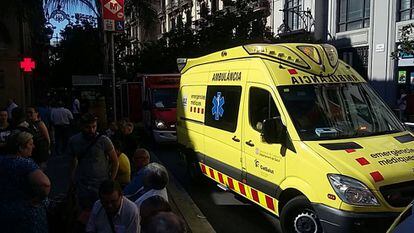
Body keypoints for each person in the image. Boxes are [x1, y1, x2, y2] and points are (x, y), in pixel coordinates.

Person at [68, 113, 119, 225]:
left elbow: (115, 161)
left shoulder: (103, 140)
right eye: (88, 127)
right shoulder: (74, 141)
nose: (91, 130)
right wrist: (72, 179)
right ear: (81, 126)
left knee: (103, 214)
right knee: (85, 214)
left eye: (94, 126)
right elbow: (72, 161)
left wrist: (111, 180)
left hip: (101, 184)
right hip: (83, 184)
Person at [0, 131, 51, 233]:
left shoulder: (1, 160)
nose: (33, 147)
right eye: (30, 144)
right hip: (27, 214)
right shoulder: (25, 163)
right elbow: (45, 184)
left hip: (5, 210)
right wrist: (38, 200)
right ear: (20, 147)